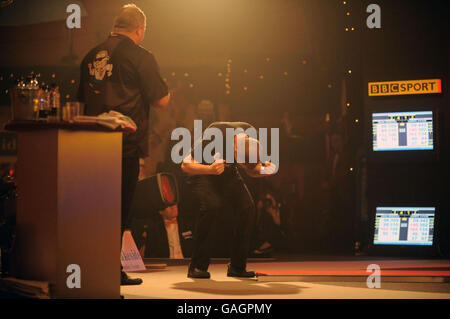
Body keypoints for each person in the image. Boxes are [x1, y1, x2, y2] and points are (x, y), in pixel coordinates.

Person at [78, 4, 170, 285]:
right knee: (118, 207)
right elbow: (161, 99)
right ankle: (110, 271)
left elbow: (80, 100)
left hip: (90, 143)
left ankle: (87, 266)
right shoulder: (140, 56)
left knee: (93, 207)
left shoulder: (90, 55)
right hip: (124, 144)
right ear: (139, 30)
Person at [181, 122, 277, 279]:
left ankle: (237, 267)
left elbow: (252, 170)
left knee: (248, 208)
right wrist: (210, 169)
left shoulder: (250, 133)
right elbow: (185, 165)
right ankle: (197, 266)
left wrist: (266, 170)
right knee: (212, 207)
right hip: (202, 171)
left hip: (227, 173)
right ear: (234, 147)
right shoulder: (215, 133)